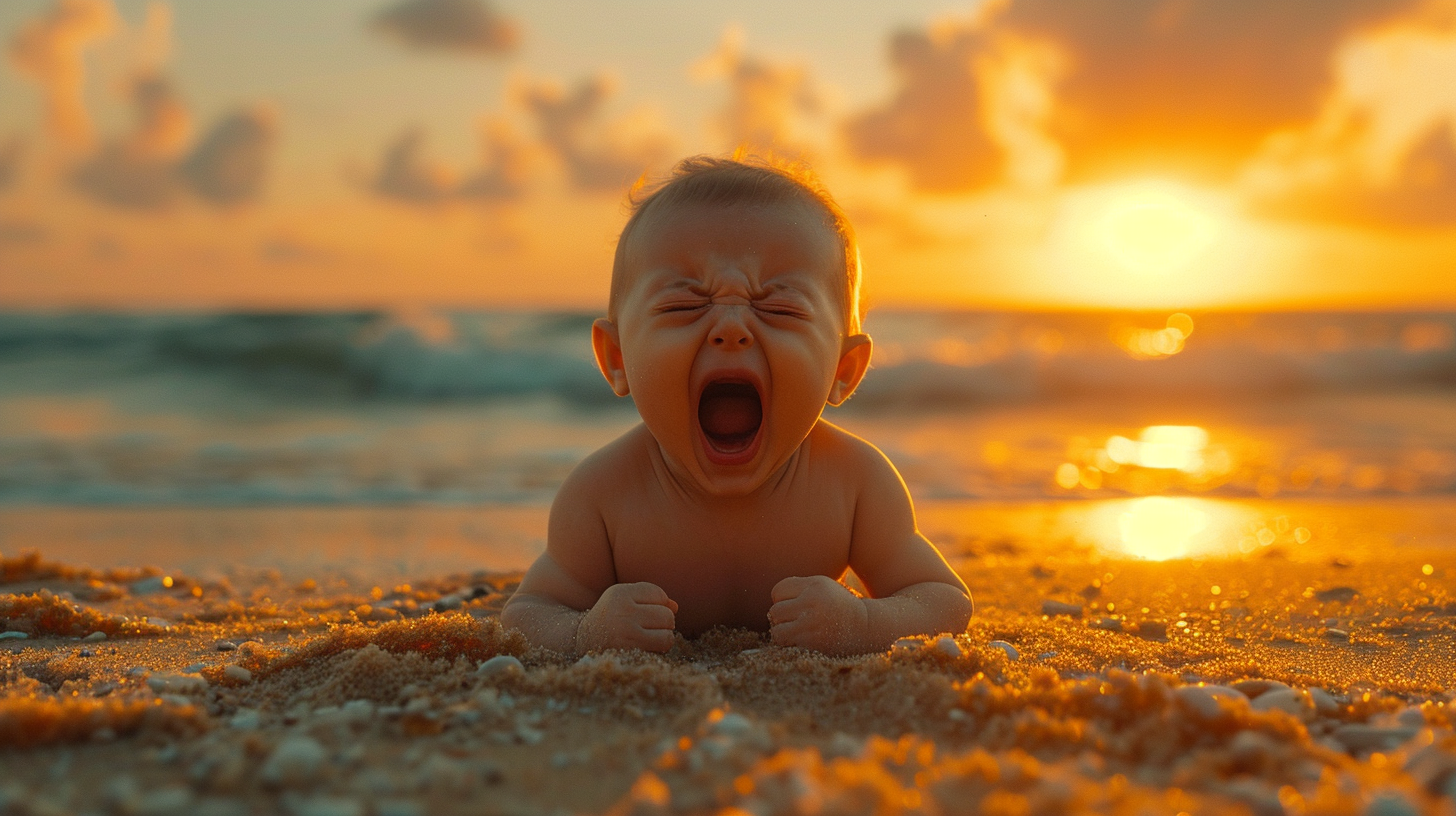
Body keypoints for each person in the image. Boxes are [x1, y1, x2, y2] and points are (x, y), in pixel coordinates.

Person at [501, 155, 972, 655]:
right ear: (617, 358)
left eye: (780, 307)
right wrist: (585, 633)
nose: (730, 327)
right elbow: (529, 614)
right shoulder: (601, 497)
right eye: (683, 305)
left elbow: (943, 600)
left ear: (843, 369)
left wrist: (862, 623)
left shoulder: (856, 485)